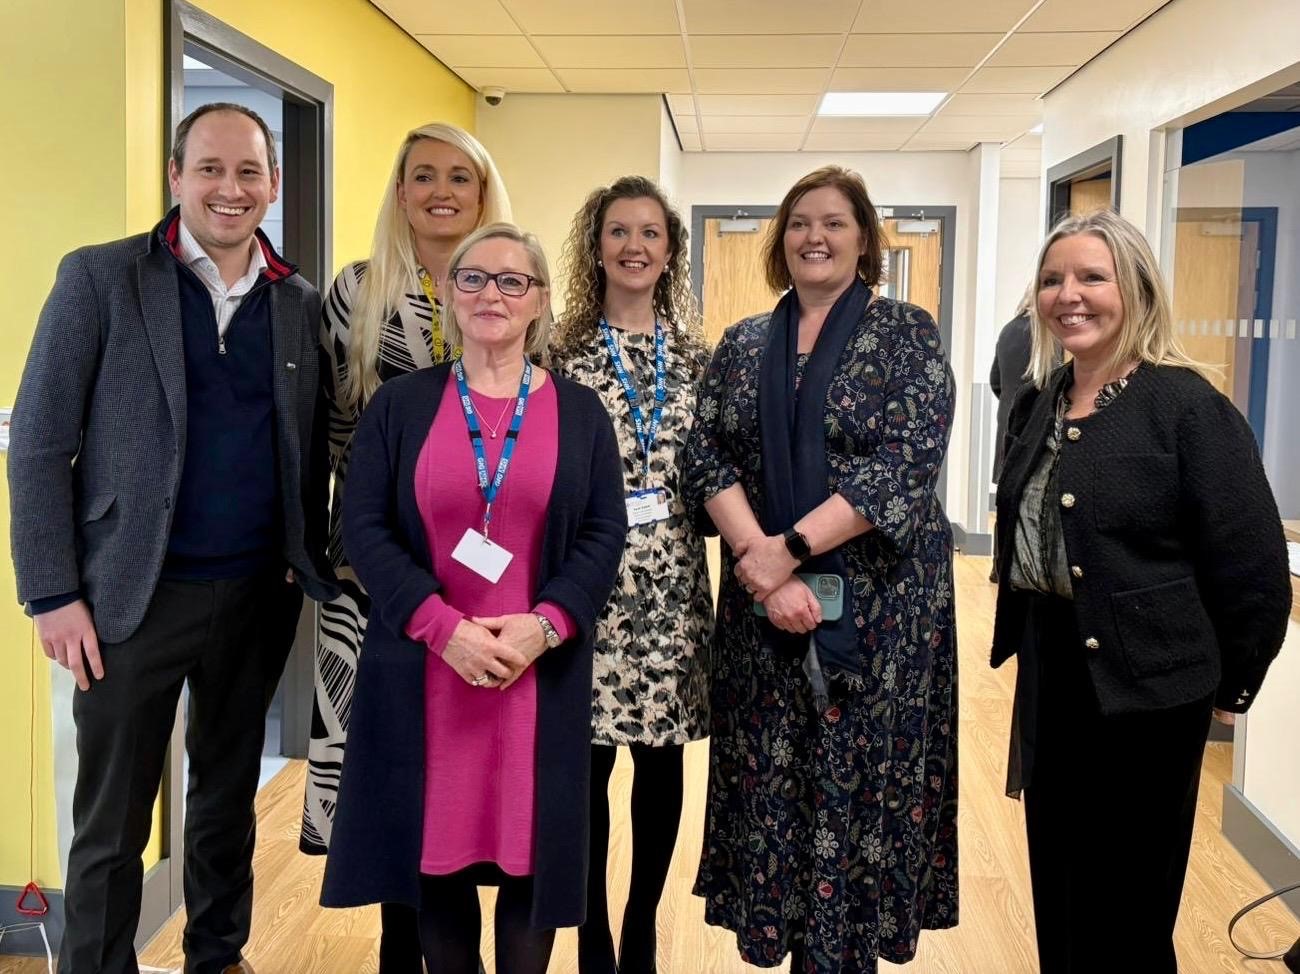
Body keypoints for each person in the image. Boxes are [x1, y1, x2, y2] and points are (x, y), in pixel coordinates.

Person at [8, 102, 337, 974]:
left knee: (229, 798)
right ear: (175, 177)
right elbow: (40, 443)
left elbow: (302, 446)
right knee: (111, 820)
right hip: (126, 598)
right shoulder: (101, 280)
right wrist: (52, 592)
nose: (231, 190)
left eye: (249, 173)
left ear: (272, 184)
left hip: (257, 598)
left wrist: (305, 564)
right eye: (211, 169)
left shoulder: (298, 302)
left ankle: (217, 954)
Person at [320, 223, 627, 974]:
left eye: (512, 281)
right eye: (474, 279)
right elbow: (362, 526)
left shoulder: (581, 414)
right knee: (437, 865)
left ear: (540, 303)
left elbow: (603, 533)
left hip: (535, 682)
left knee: (533, 864)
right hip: (429, 674)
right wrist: (440, 628)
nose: (492, 294)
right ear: (450, 297)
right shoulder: (399, 405)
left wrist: (544, 626)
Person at [991, 209, 1291, 974]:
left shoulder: (1188, 408)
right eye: (1054, 279)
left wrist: (1232, 686)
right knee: (1057, 882)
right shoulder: (1041, 400)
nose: (1070, 295)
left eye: (1093, 277)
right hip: (1054, 672)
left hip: (1152, 689)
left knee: (1127, 903)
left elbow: (1253, 567)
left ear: (1137, 289)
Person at [683, 166, 958, 973]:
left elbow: (905, 461)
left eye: (835, 222)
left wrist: (787, 550)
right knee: (776, 775)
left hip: (879, 615)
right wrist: (758, 561)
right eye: (800, 221)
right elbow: (703, 452)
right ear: (781, 239)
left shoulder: (907, 333)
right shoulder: (741, 343)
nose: (815, 236)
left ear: (864, 239)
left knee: (859, 776)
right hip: (764, 607)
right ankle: (785, 935)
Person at [300, 122, 511, 969]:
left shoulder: (503, 286)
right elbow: (328, 429)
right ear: (398, 190)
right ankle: (397, 950)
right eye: (422, 175)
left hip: (483, 579)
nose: (441, 191)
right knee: (386, 781)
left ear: (484, 192)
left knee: (462, 780)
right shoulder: (356, 292)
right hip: (375, 575)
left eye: (461, 176)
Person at [553, 176, 714, 974]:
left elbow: (721, 469)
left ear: (670, 251)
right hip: (586, 582)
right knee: (583, 766)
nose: (635, 247)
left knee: (662, 760)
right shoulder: (559, 352)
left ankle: (642, 922)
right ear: (597, 246)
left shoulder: (696, 357)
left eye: (651, 233)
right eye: (619, 232)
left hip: (674, 586)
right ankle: (590, 933)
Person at [989, 295, 1033, 482]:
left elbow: (995, 380)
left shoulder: (1008, 329)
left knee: (1008, 484)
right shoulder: (1047, 332)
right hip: (1032, 419)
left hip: (1007, 415)